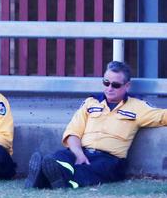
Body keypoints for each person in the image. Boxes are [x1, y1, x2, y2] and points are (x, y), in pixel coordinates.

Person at [26, 60, 167, 190]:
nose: (109, 88)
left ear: (127, 86)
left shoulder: (138, 107)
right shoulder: (90, 103)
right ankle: (56, 175)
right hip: (81, 151)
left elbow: (162, 116)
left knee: (93, 170)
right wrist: (79, 154)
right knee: (58, 157)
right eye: (106, 83)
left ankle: (45, 179)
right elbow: (73, 132)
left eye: (115, 85)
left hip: (109, 159)